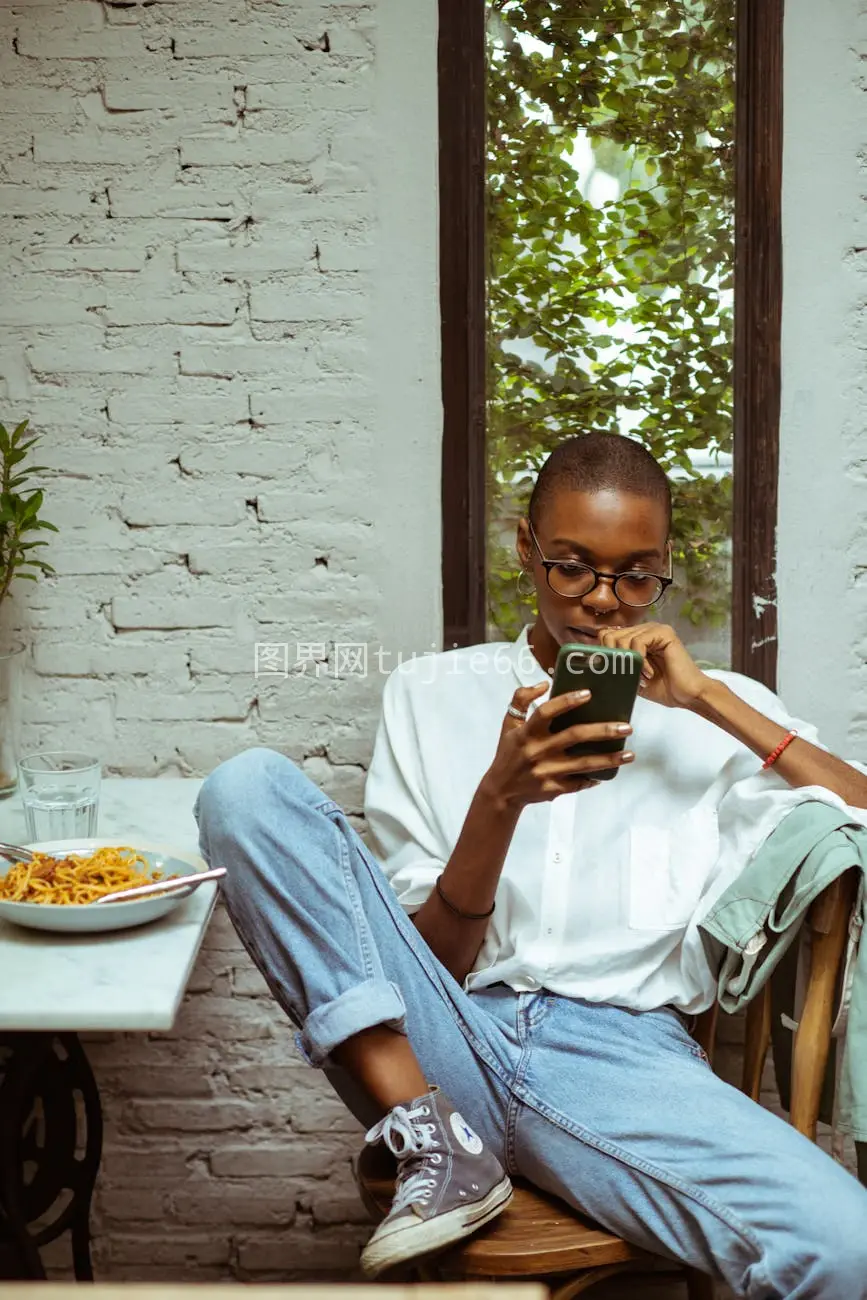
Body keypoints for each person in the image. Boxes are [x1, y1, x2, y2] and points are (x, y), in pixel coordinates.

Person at [195, 433, 867, 1296]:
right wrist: (500, 800)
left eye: (635, 575)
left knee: (846, 1247)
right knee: (244, 787)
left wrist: (705, 699)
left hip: (624, 1063)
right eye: (571, 568)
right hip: (437, 1040)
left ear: (664, 569)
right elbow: (426, 967)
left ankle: (446, 1143)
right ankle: (431, 1135)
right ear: (525, 548)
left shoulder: (717, 710)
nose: (602, 602)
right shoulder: (430, 694)